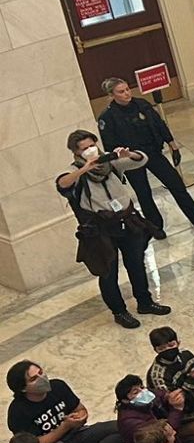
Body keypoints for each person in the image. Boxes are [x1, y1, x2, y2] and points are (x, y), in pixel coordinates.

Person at [54, 129, 170, 329]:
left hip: (126, 221)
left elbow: (141, 160)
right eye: (85, 148)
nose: (91, 150)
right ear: (76, 152)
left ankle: (145, 301)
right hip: (100, 229)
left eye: (92, 145)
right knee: (108, 271)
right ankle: (119, 311)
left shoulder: (110, 162)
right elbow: (62, 184)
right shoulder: (75, 172)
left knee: (136, 263)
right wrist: (84, 168)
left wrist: (128, 154)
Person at [95, 76, 194, 234]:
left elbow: (159, 124)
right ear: (111, 95)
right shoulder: (107, 117)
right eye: (121, 92)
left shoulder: (141, 104)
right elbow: (110, 145)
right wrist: (123, 156)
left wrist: (172, 144)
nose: (126, 93)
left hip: (153, 152)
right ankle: (155, 227)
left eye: (127, 89)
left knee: (177, 185)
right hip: (131, 160)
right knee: (144, 194)